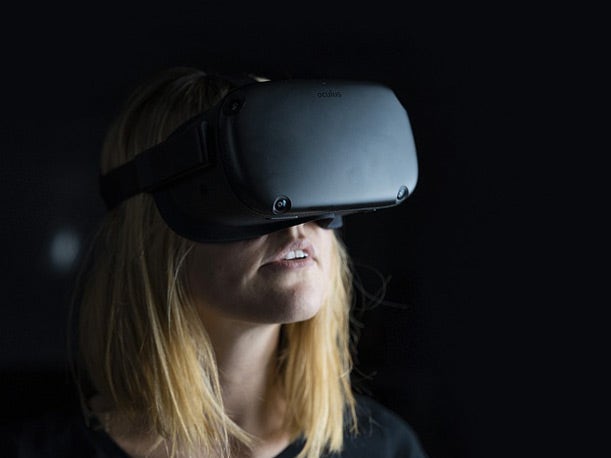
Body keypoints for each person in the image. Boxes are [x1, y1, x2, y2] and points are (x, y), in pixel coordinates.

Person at [12, 67, 428, 457]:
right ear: (150, 230)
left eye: (305, 183)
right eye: (244, 191)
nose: (297, 225)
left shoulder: (389, 449)